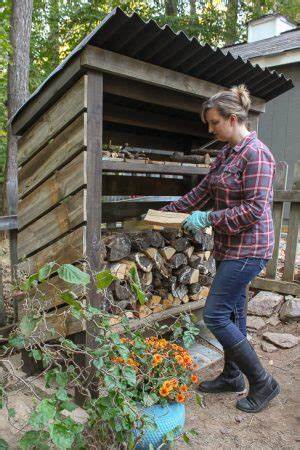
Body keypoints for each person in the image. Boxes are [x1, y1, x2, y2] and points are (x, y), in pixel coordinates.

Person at [161, 85, 280, 413]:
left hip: (251, 249)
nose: (210, 129)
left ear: (232, 118)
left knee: (214, 314)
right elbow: (201, 193)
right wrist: (167, 213)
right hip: (230, 248)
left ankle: (263, 382)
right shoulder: (226, 154)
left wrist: (208, 218)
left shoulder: (257, 154)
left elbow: (255, 209)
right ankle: (232, 376)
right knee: (233, 313)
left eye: (213, 123)